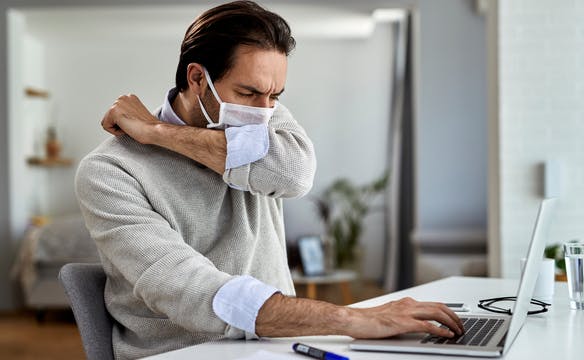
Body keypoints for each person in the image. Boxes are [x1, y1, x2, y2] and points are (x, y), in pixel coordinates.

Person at [76, 1, 463, 359]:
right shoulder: (110, 173)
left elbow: (294, 174)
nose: (265, 112)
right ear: (197, 78)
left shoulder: (261, 110)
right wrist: (354, 319)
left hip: (278, 343)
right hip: (185, 351)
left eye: (275, 96)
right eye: (248, 92)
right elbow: (189, 290)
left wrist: (159, 133)